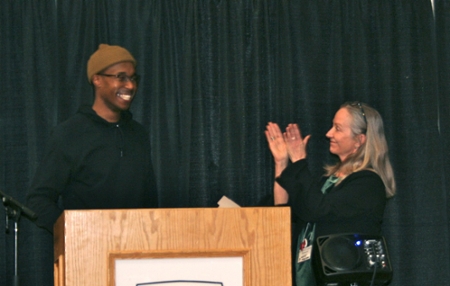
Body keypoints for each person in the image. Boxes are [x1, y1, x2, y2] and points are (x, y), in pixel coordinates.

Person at [26, 44, 158, 234]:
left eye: (133, 78)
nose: (130, 85)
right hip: (86, 252)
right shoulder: (69, 134)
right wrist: (75, 233)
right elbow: (38, 201)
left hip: (135, 252)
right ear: (97, 79)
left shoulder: (139, 135)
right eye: (120, 77)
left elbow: (150, 201)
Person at [265, 102, 396, 285]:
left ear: (359, 140)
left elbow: (316, 209)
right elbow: (282, 212)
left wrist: (299, 161)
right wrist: (281, 162)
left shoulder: (368, 183)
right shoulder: (327, 183)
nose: (328, 134)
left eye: (338, 129)